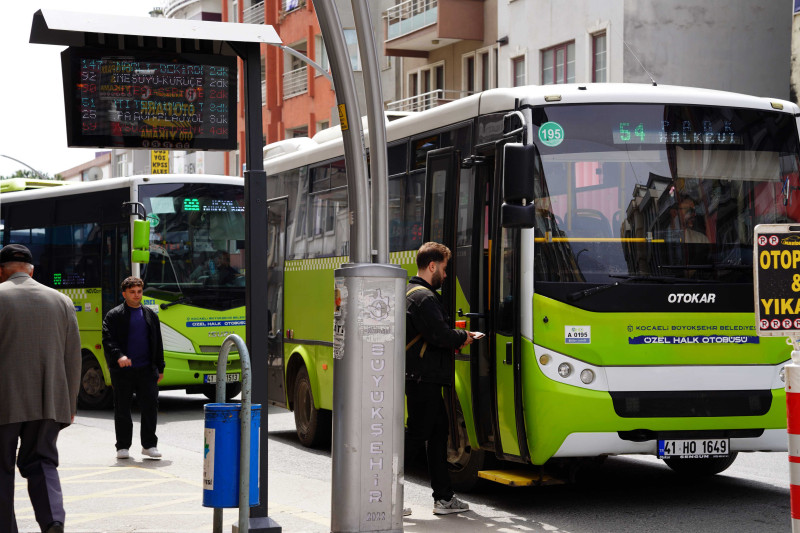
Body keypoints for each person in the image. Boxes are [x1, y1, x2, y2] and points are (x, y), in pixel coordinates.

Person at [0, 244, 81, 533]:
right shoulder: (61, 300)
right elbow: (73, 358)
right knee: (43, 463)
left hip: (5, 401)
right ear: (32, 271)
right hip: (49, 401)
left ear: (2, 271)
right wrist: (69, 405)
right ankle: (52, 522)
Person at [405, 242, 477, 515]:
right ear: (432, 266)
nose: (446, 276)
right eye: (444, 269)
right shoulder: (423, 298)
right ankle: (383, 496)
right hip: (424, 379)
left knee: (437, 437)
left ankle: (444, 498)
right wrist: (464, 337)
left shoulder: (412, 293)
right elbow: (439, 335)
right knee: (416, 438)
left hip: (425, 378)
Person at [102, 277, 165, 460]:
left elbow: (158, 342)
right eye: (132, 292)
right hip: (123, 371)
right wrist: (119, 356)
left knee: (150, 407)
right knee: (122, 407)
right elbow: (108, 339)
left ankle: (149, 445)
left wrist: (160, 367)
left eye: (139, 291)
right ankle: (122, 446)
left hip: (146, 369)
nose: (136, 295)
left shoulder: (150, 315)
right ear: (124, 294)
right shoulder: (114, 315)